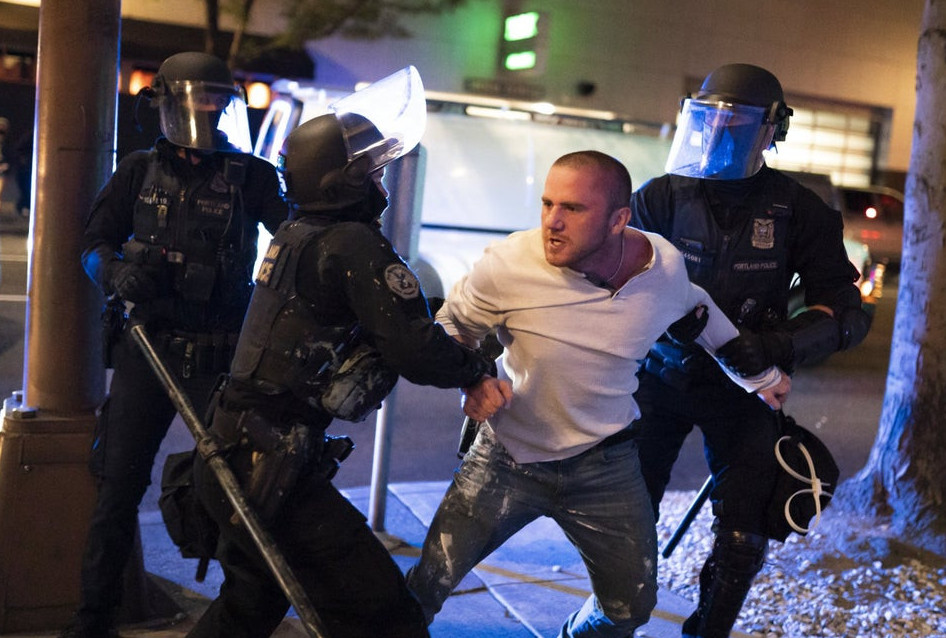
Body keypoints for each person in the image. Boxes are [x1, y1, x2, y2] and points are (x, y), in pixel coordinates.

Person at [405, 150, 791, 638]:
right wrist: (473, 379)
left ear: (618, 220)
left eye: (573, 209)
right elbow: (450, 330)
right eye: (547, 204)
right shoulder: (507, 265)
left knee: (628, 610)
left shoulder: (661, 267)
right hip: (507, 458)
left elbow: (698, 308)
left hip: (605, 465)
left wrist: (758, 379)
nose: (552, 222)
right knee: (426, 586)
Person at [185, 67, 496, 638]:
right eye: (370, 171)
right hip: (270, 467)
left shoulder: (298, 232)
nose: (380, 181)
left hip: (236, 449)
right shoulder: (352, 241)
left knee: (250, 604)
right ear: (341, 183)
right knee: (383, 613)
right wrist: (476, 367)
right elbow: (414, 350)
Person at [628, 63, 872, 638]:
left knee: (743, 536)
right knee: (627, 518)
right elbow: (613, 281)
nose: (719, 133)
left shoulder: (799, 209)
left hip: (744, 384)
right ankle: (611, 620)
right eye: (709, 118)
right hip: (658, 378)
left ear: (772, 130)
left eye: (737, 122)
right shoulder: (661, 196)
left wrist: (777, 346)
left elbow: (846, 311)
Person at [64, 52, 289, 638]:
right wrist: (113, 274)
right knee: (117, 490)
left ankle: (238, 619)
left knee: (244, 488)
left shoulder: (253, 176)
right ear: (168, 102)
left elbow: (298, 241)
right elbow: (93, 244)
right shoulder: (137, 172)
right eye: (196, 99)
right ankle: (91, 622)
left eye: (217, 99)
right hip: (149, 347)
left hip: (220, 354)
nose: (206, 110)